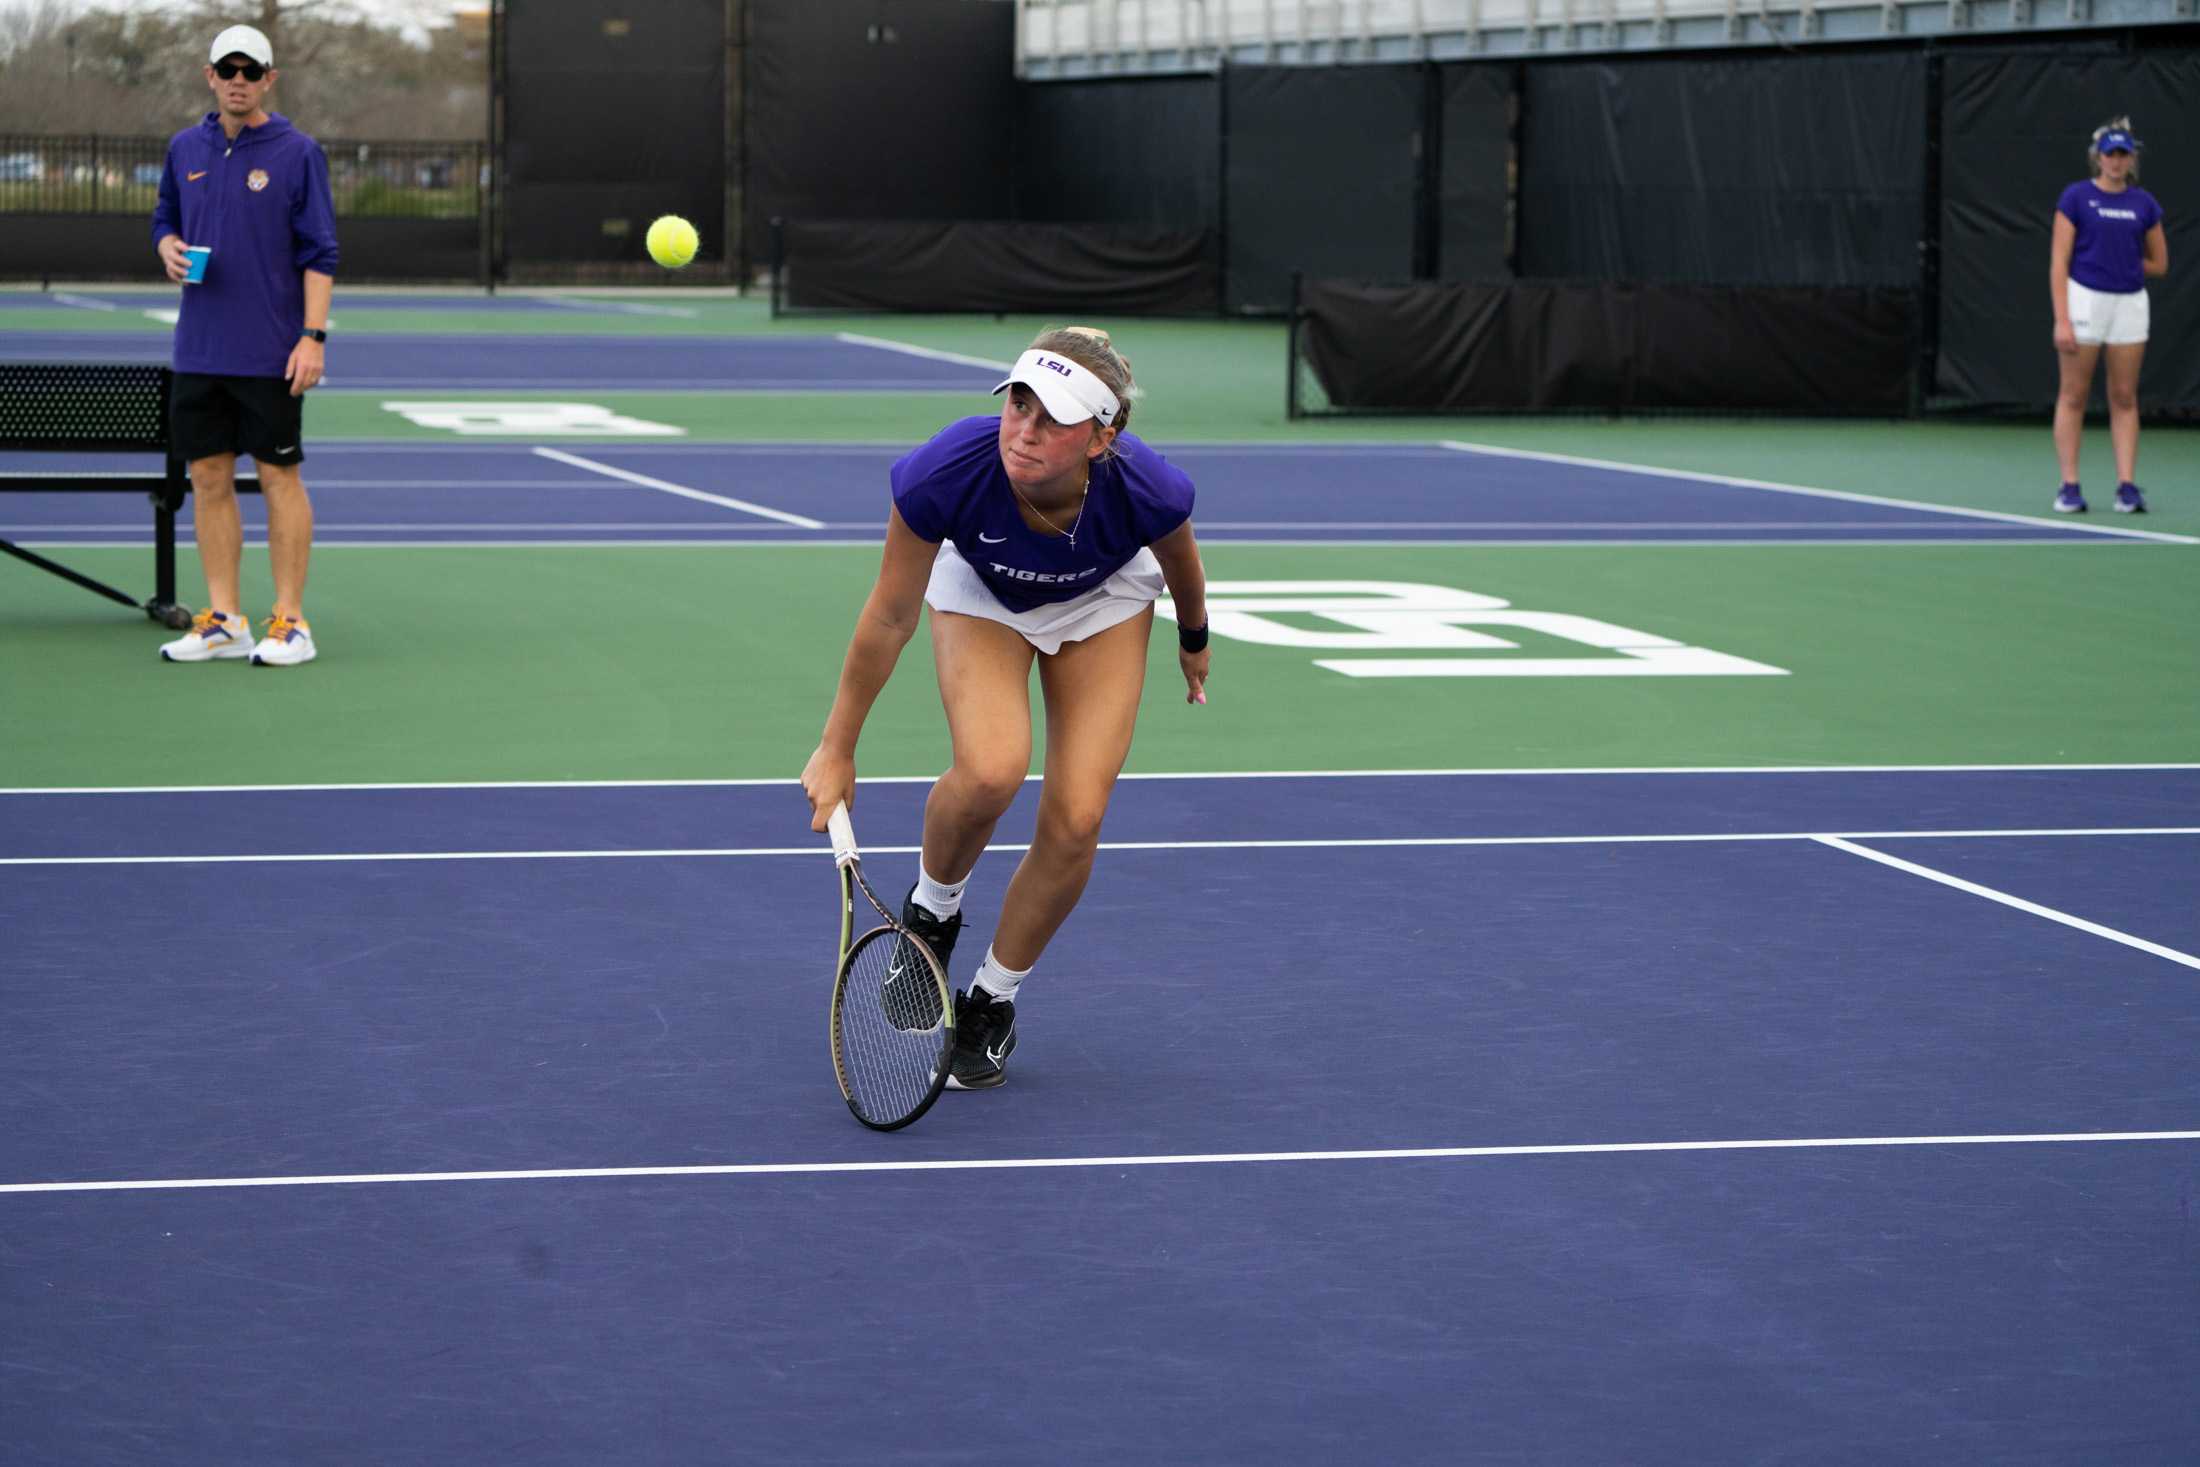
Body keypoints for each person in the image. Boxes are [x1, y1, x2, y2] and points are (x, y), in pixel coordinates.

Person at [801, 327, 1211, 1091]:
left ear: (1101, 438)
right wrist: (837, 747)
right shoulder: (949, 468)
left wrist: (1194, 637)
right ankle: (933, 911)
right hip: (984, 592)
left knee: (1079, 815)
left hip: (1104, 599)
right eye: (1018, 404)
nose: (1024, 428)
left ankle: (991, 999)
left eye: (1052, 416)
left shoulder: (1145, 486)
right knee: (991, 770)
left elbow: (1183, 561)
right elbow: (890, 615)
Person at [150, 23, 339, 666]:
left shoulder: (298, 152)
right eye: (226, 69)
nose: (238, 80)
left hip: (271, 350)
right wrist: (167, 247)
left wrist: (312, 338)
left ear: (269, 80)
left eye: (250, 71)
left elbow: (321, 253)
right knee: (207, 479)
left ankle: (291, 621)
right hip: (200, 348)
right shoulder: (184, 148)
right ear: (209, 75)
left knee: (278, 476)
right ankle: (225, 620)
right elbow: (165, 218)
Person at [2049, 117, 2169, 515]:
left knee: (2123, 396)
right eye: (2110, 155)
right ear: (2098, 158)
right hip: (2085, 301)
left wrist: (2128, 267)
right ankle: (2069, 487)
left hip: (2130, 305)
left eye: (2123, 155)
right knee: (2074, 394)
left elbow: (2160, 263)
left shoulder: (2144, 204)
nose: (2116, 162)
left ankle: (2127, 488)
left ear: (2131, 160)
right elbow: (2059, 262)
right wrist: (2062, 319)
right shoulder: (2076, 198)